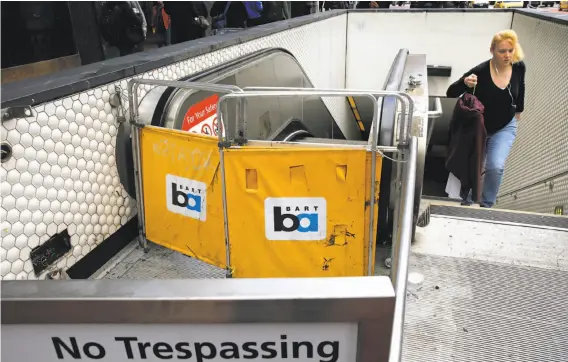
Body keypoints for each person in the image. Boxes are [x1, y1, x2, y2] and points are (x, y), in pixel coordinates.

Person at [446, 30, 526, 208]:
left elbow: (521, 86)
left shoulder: (519, 67)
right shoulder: (480, 71)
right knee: (471, 164)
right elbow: (450, 92)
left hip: (505, 127)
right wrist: (465, 83)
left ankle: (487, 204)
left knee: (495, 166)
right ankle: (464, 200)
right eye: (502, 51)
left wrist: (519, 109)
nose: (507, 55)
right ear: (492, 50)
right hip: (479, 128)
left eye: (510, 50)